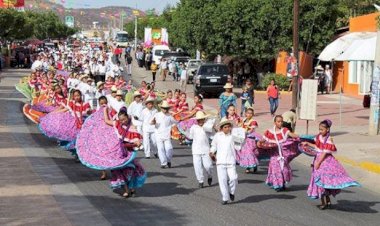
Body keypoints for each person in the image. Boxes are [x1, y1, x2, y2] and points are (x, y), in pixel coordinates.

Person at [301, 119, 360, 210]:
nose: (320, 131)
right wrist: (307, 143)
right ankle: (326, 201)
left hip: (324, 161)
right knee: (322, 182)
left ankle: (324, 203)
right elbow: (317, 147)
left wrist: (318, 163)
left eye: (322, 129)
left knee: (322, 182)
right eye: (319, 129)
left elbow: (324, 153)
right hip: (318, 159)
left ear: (327, 129)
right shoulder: (319, 137)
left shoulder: (328, 139)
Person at [259, 115, 299, 191]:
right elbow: (263, 140)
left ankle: (283, 183)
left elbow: (291, 134)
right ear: (275, 122)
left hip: (283, 154)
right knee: (275, 169)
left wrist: (299, 136)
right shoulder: (269, 132)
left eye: (281, 121)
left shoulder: (284, 130)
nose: (280, 123)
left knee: (283, 169)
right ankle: (277, 185)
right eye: (278, 121)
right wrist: (259, 143)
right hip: (274, 155)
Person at [209, 118, 238, 205]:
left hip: (231, 161)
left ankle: (232, 192)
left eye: (229, 127)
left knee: (233, 178)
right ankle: (225, 198)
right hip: (220, 161)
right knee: (222, 180)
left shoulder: (233, 136)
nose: (227, 128)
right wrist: (211, 152)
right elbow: (214, 145)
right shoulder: (217, 136)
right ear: (221, 128)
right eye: (225, 127)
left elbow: (239, 146)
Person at [189, 111, 213, 188]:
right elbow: (190, 137)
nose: (200, 121)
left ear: (204, 119)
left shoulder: (207, 128)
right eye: (198, 120)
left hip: (206, 150)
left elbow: (213, 137)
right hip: (196, 150)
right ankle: (200, 180)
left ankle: (209, 175)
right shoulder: (193, 127)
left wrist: (214, 128)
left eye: (202, 119)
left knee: (208, 166)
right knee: (197, 166)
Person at [151, 100, 177, 168]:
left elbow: (175, 122)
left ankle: (168, 160)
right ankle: (163, 163)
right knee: (160, 149)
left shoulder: (170, 116)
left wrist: (171, 127)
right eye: (164, 108)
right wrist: (153, 122)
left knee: (169, 148)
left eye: (166, 108)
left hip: (167, 135)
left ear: (168, 109)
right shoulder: (157, 115)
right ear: (161, 108)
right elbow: (151, 122)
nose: (165, 110)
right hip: (158, 134)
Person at [236, 107, 260, 173]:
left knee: (250, 153)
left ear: (253, 114)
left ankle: (253, 166)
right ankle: (248, 166)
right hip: (244, 139)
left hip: (250, 139)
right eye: (248, 113)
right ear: (245, 113)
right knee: (245, 153)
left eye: (251, 113)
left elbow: (251, 130)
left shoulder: (253, 121)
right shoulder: (244, 120)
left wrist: (245, 132)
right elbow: (239, 126)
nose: (249, 114)